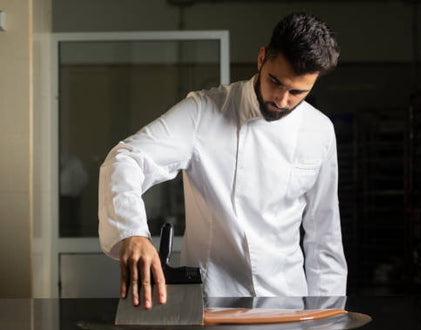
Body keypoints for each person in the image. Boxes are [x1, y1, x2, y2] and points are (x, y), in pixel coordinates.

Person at [99, 12, 347, 310]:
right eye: (275, 82)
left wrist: (326, 321)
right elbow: (126, 158)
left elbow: (324, 237)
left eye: (297, 92)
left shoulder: (319, 131)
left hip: (287, 306)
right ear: (261, 58)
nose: (281, 100)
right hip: (212, 305)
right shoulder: (203, 111)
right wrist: (132, 232)